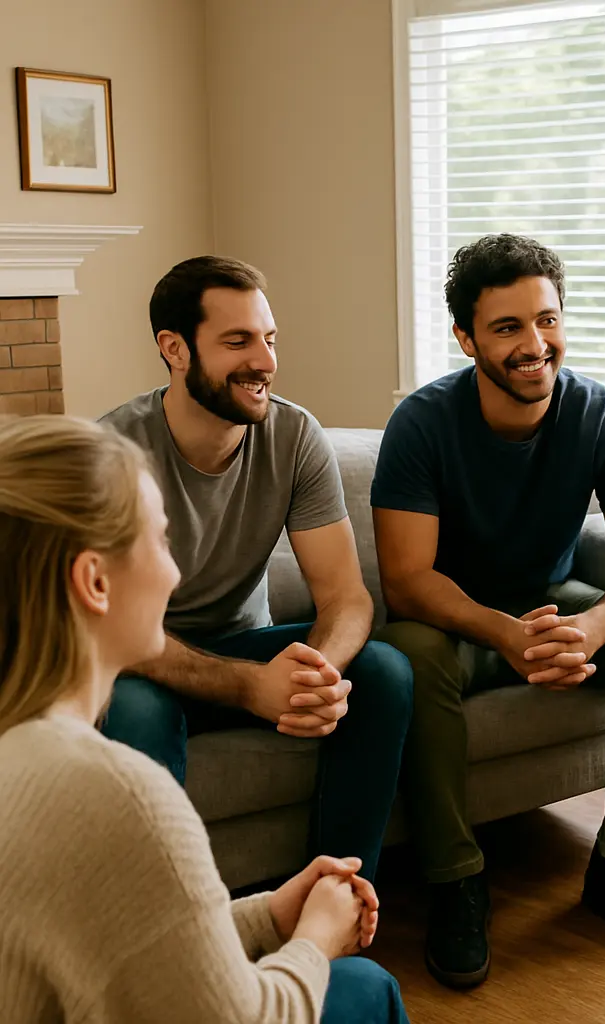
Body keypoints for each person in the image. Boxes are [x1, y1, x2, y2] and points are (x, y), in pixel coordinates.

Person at [370, 233, 605, 989]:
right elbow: (406, 580)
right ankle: (457, 880)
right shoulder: (422, 425)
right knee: (407, 657)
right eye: (508, 327)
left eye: (547, 320)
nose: (536, 345)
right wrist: (506, 634)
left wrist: (589, 627)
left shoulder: (603, 416)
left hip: (556, 609)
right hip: (455, 622)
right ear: (466, 338)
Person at [0, 414, 410, 1023]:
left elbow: (129, 950)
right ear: (94, 581)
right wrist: (318, 940)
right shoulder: (124, 796)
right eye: (159, 542)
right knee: (366, 986)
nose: (173, 572)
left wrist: (270, 915)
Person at [99, 256, 412, 882]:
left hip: (243, 642)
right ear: (175, 349)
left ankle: (339, 899)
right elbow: (108, 630)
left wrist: (315, 674)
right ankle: (161, 936)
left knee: (382, 669)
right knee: (134, 710)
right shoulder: (114, 454)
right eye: (237, 341)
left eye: (269, 339)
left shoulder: (294, 436)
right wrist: (251, 687)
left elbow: (347, 599)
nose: (265, 361)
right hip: (142, 660)